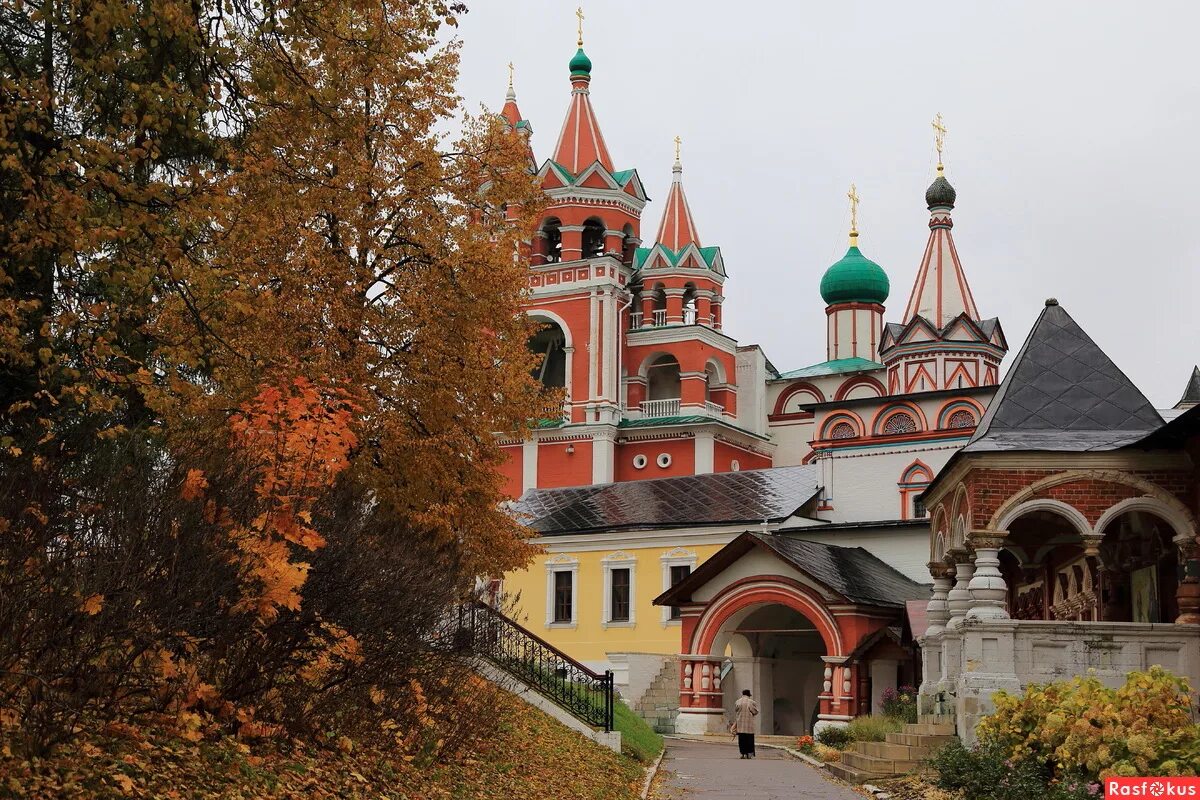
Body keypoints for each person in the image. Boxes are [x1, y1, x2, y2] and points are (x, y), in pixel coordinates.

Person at [732, 689, 759, 759]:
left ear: (743, 694)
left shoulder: (738, 702)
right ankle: (749, 754)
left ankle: (743, 753)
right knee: (749, 740)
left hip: (740, 725)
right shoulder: (751, 702)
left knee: (741, 740)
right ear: (749, 695)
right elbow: (755, 712)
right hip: (749, 725)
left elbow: (736, 710)